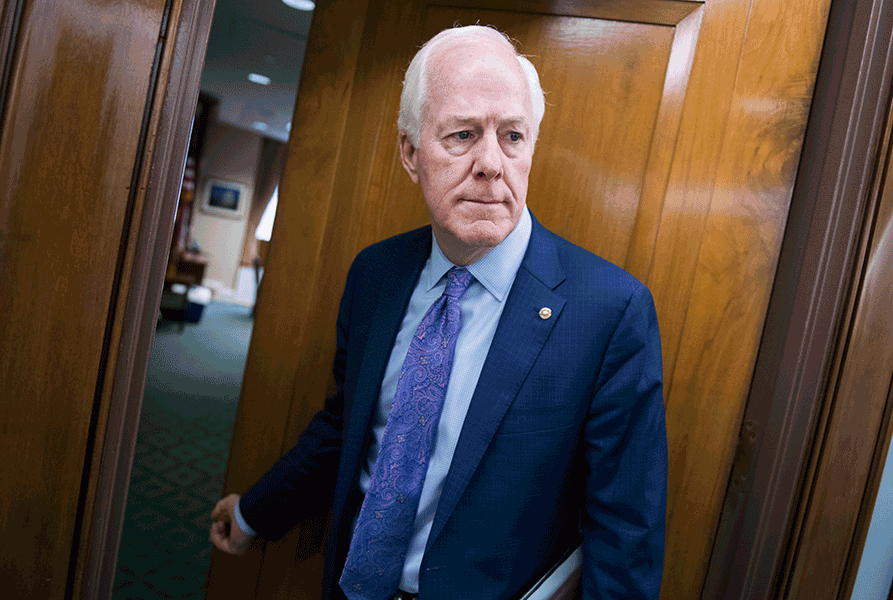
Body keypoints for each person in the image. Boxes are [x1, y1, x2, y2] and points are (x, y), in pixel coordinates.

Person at [210, 25, 667, 600]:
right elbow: (345, 423)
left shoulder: (610, 313)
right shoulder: (375, 276)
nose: (491, 164)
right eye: (462, 135)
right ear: (410, 153)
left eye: (513, 137)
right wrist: (255, 511)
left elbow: (626, 536)